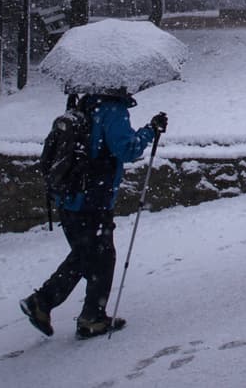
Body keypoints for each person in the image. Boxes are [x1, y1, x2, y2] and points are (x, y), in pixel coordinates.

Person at [20, 89, 167, 339]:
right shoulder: (113, 109)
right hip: (92, 199)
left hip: (70, 197)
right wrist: (150, 131)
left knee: (87, 255)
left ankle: (61, 308)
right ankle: (78, 313)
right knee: (99, 256)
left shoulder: (84, 104)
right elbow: (127, 149)